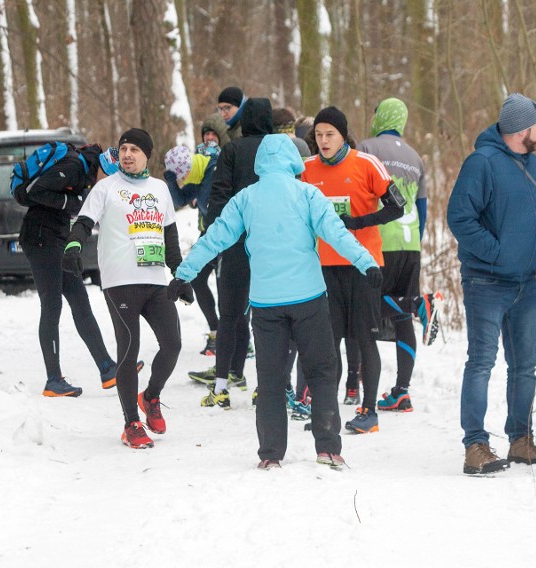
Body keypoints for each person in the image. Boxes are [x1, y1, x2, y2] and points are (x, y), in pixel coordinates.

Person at [172, 133, 382, 469]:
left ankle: (270, 455)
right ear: (292, 162)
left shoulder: (246, 199)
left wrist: (184, 273)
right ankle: (328, 448)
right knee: (322, 372)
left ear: (260, 164)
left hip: (266, 304)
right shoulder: (307, 194)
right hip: (309, 300)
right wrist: (366, 263)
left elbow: (215, 237)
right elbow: (336, 233)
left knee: (269, 379)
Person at [447, 93, 536, 475]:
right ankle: (475, 446)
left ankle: (520, 439)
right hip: (486, 281)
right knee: (481, 363)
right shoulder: (482, 163)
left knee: (525, 365)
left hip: (525, 282)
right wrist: (495, 253)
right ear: (519, 130)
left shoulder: (531, 161)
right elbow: (460, 217)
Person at [62, 128, 192, 449]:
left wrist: (182, 276)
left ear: (147, 154)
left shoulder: (160, 189)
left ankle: (150, 397)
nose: (127, 155)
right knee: (128, 349)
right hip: (119, 281)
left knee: (172, 344)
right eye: (123, 149)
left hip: (154, 281)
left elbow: (171, 242)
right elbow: (83, 222)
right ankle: (131, 422)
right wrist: (74, 246)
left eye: (135, 149)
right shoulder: (106, 188)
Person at [301, 106, 405, 434]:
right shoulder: (305, 169)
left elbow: (397, 206)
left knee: (363, 338)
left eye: (329, 134)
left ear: (343, 135)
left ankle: (369, 410)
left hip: (363, 265)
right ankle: (327, 413)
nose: (323, 141)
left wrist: (357, 223)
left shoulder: (366, 163)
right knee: (328, 342)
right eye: (318, 135)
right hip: (325, 267)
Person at [188, 97, 274, 407]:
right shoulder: (279, 149)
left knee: (229, 315)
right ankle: (264, 386)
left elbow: (217, 197)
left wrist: (219, 236)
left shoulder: (233, 150)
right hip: (272, 245)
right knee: (267, 316)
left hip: (237, 244)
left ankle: (221, 387)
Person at [17, 142, 118, 398]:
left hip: (57, 239)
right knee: (52, 305)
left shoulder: (84, 172)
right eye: (105, 179)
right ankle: (53, 380)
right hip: (39, 238)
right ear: (102, 170)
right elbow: (36, 190)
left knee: (80, 300)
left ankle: (108, 368)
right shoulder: (74, 167)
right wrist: (71, 202)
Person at [358, 97, 434, 413]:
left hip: (381, 240)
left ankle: (419, 304)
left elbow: (358, 194)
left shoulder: (366, 147)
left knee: (363, 308)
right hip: (410, 242)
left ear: (381, 117)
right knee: (401, 317)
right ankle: (401, 392)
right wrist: (416, 238)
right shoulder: (416, 158)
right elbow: (423, 208)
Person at [163, 144, 219, 356]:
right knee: (196, 278)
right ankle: (216, 329)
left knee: (226, 287)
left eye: (182, 176)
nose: (183, 181)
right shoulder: (197, 176)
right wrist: (171, 181)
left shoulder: (213, 170)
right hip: (211, 236)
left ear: (189, 168)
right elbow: (180, 200)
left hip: (228, 237)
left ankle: (237, 338)